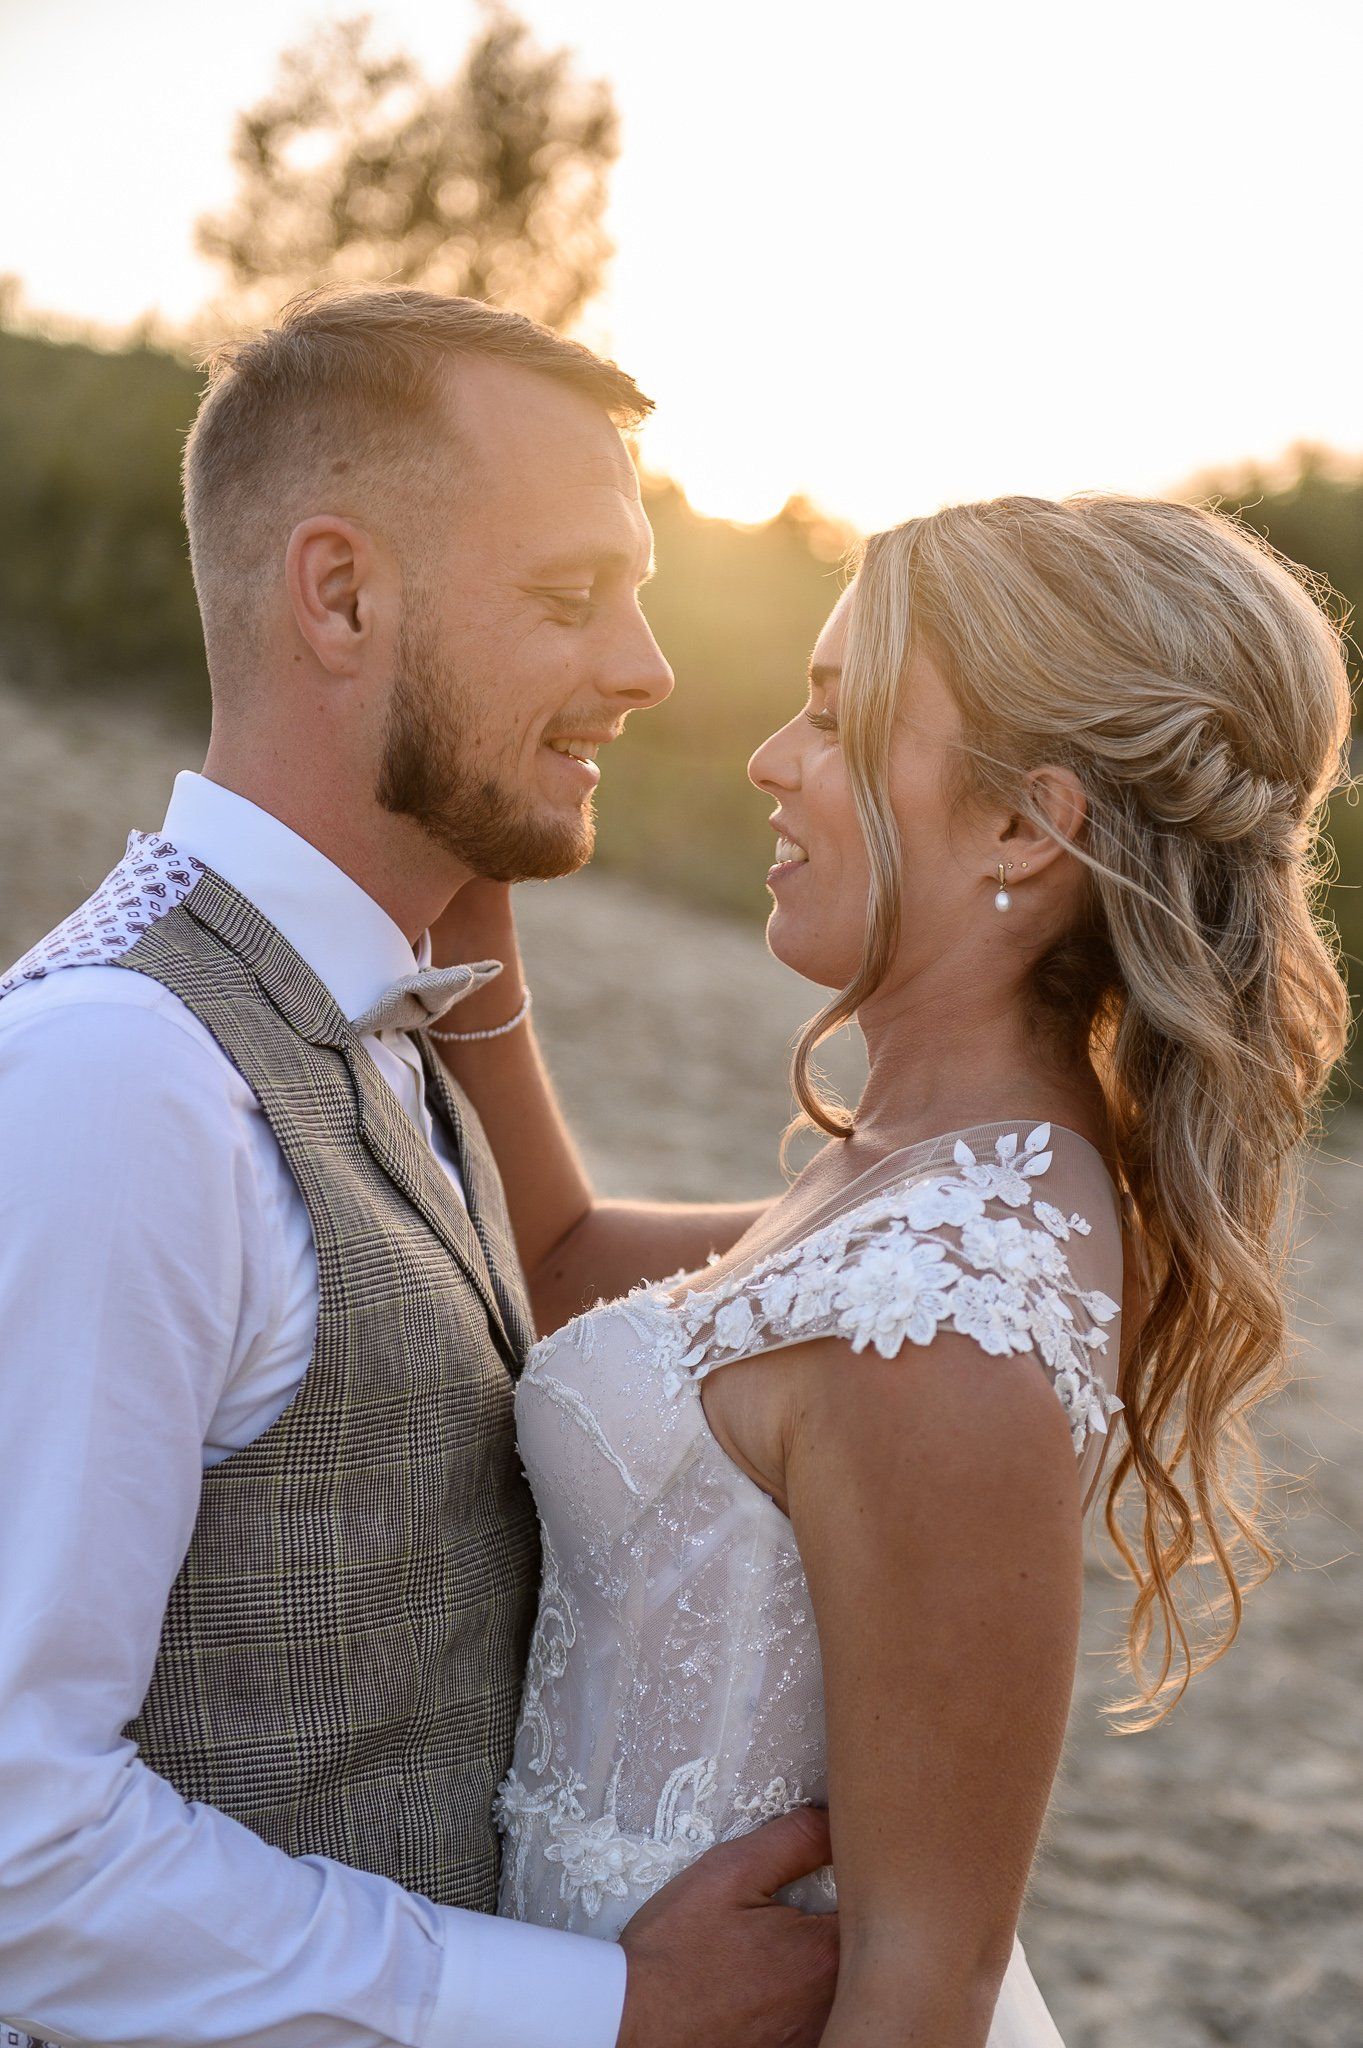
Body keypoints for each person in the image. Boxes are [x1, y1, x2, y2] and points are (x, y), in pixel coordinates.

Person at [0, 290, 838, 2048]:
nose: (647, 670)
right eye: (566, 598)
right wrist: (603, 2010)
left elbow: (556, 1265)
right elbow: (16, 1844)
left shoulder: (387, 994)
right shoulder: (120, 1080)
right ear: (340, 593)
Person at [427, 494, 1353, 2044]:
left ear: (1020, 826)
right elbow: (567, 1258)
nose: (770, 761)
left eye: (834, 717)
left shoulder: (954, 1310)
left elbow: (924, 1981)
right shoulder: (918, 1181)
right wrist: (478, 866)